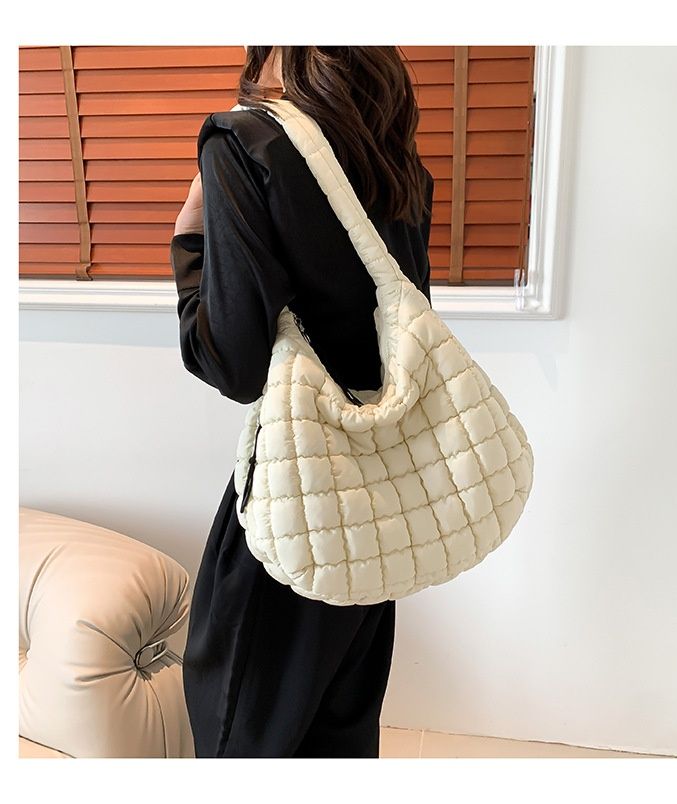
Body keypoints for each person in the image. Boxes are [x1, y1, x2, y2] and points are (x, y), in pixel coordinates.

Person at [169, 46, 434, 758]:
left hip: (291, 508)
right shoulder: (397, 165)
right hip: (379, 504)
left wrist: (189, 238)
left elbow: (231, 364)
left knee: (242, 739)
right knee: (339, 737)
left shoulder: (244, 141)